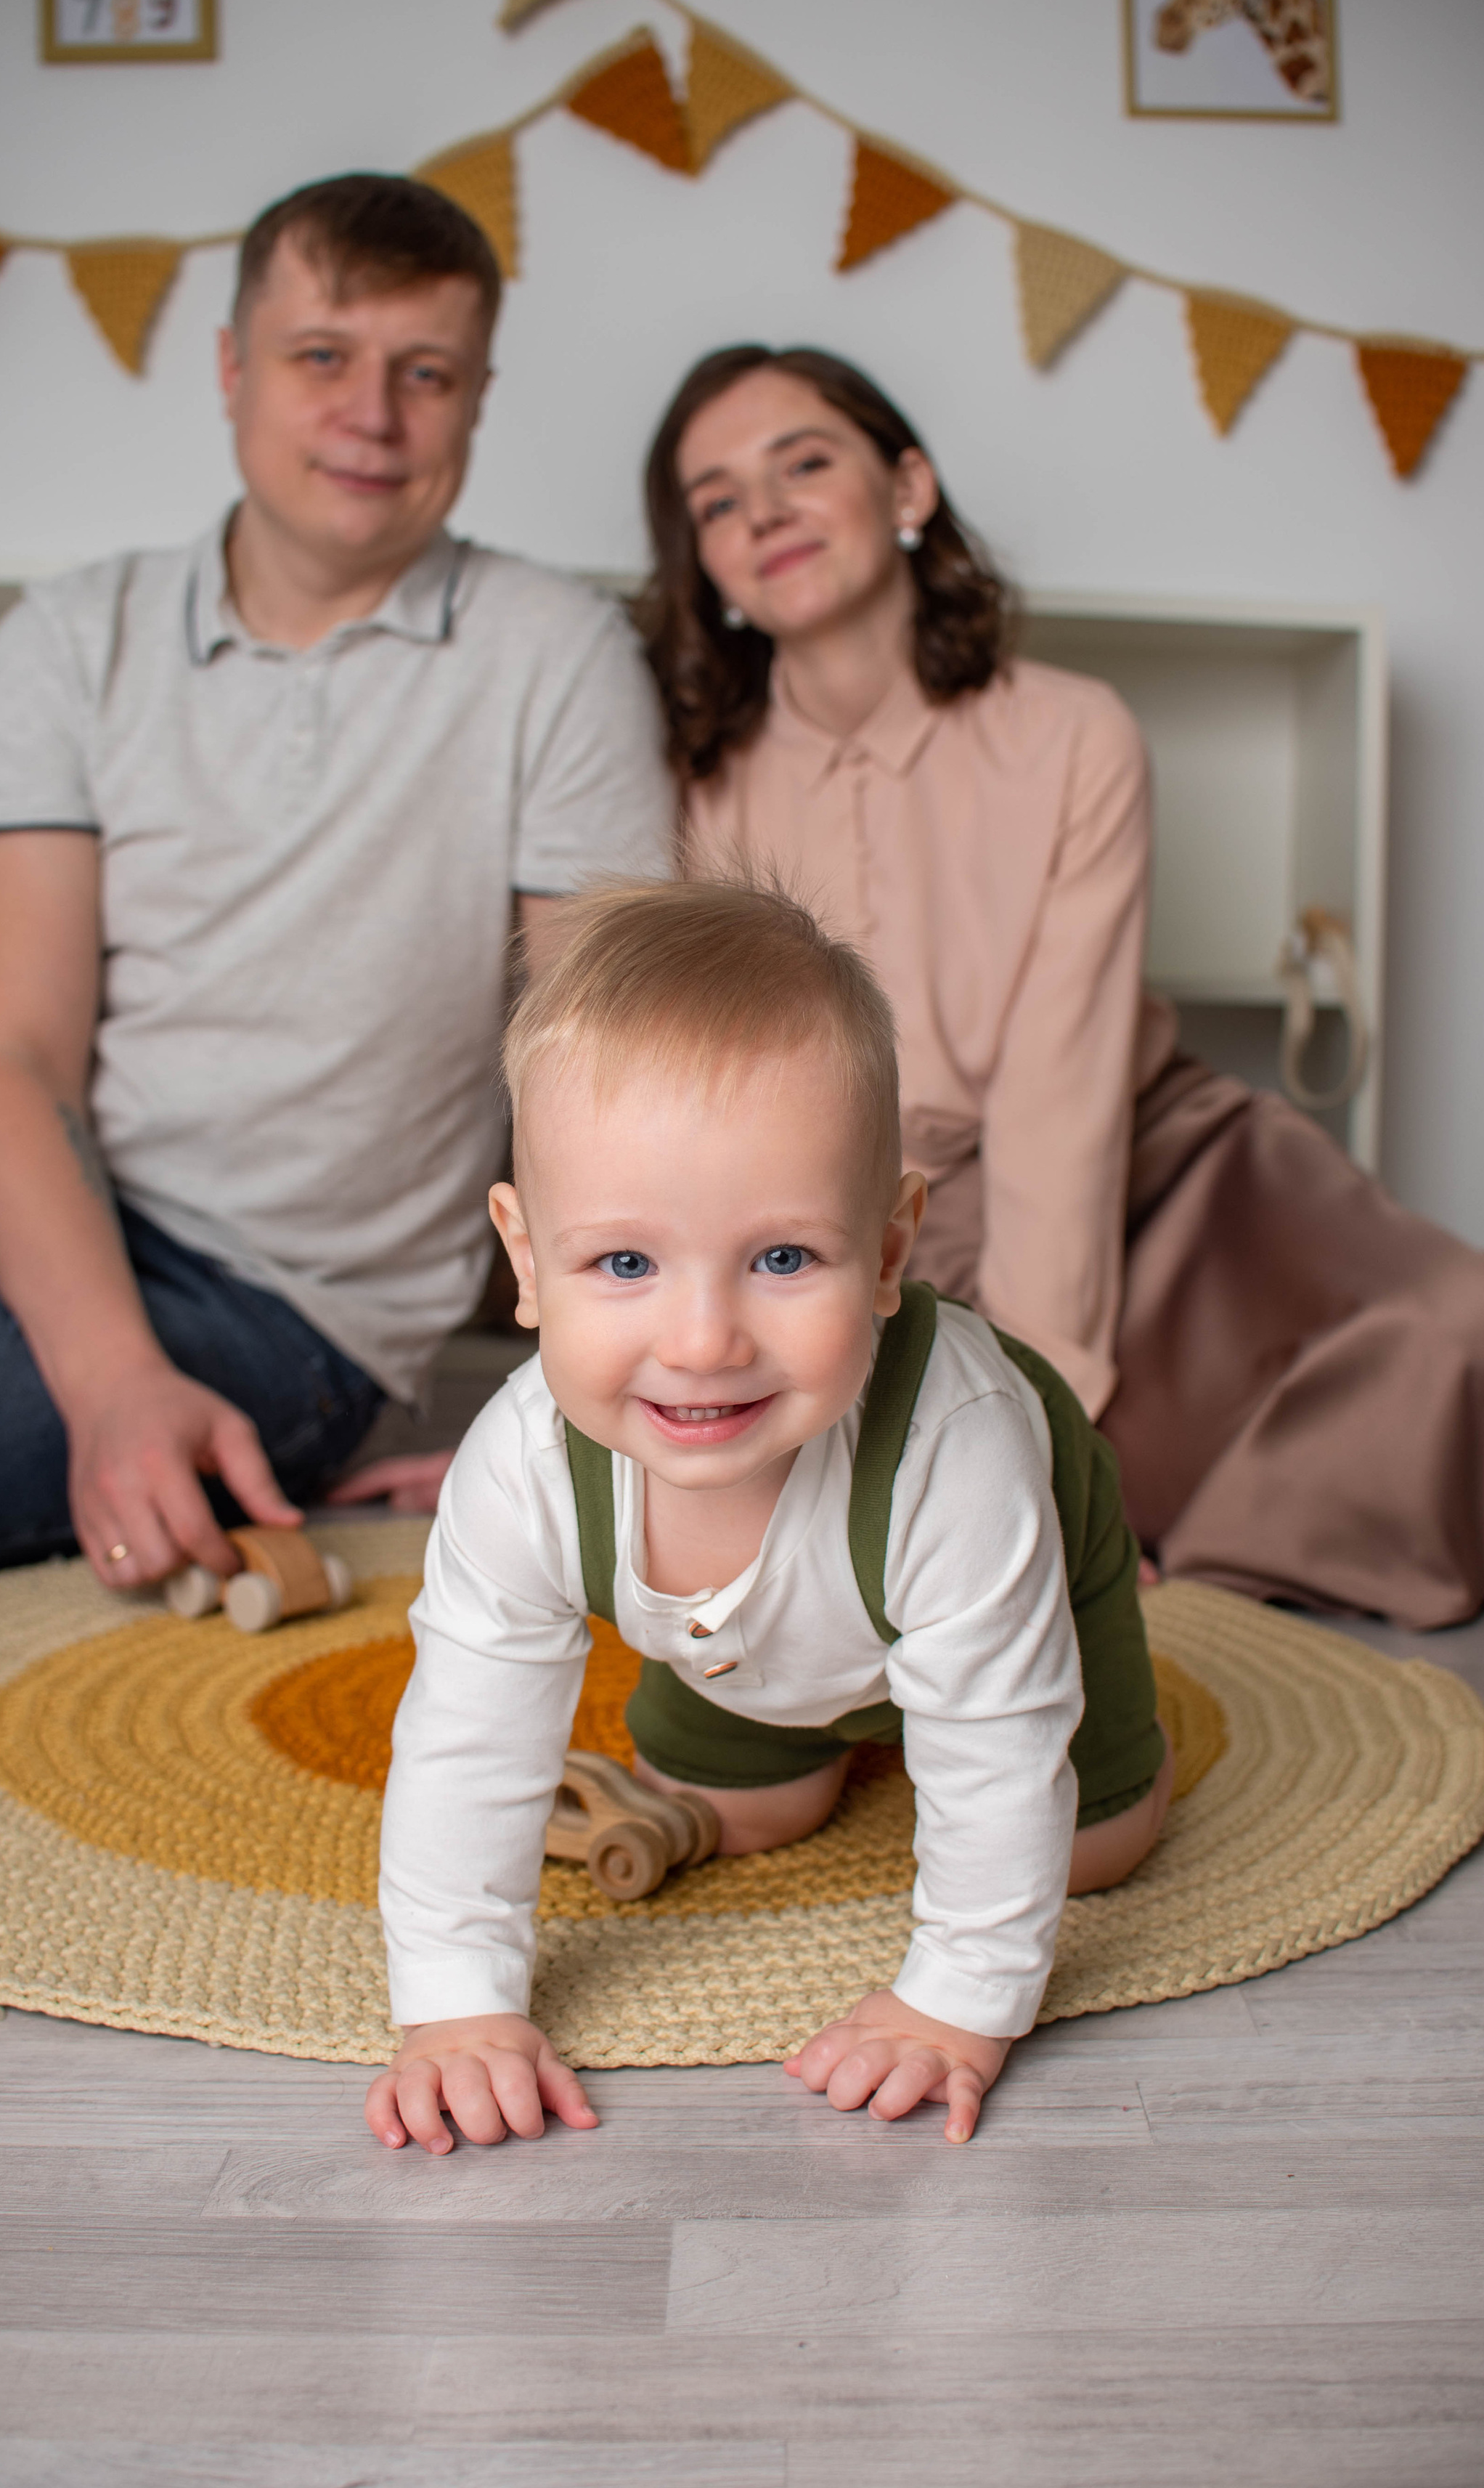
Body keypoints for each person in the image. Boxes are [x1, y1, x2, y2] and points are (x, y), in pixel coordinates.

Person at [0, 174, 672, 1606]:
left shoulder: (555, 655)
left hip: (289, 1303)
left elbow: (605, 1072)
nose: (372, 414)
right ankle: (25, 1358)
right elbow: (6, 1049)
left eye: (424, 374)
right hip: (24, 1160)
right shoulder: (73, 632)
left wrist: (589, 1418)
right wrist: (107, 1377)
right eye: (322, 359)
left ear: (476, 400)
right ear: (233, 369)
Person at [645, 344, 1484, 1632]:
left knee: (1479, 1334)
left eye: (803, 463)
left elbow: (1062, 1094)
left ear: (908, 486)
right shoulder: (689, 779)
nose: (762, 512)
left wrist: (1045, 1413)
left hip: (1157, 1167)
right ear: (705, 562)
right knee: (873, 1503)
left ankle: (1156, 1537)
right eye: (715, 500)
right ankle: (1122, 1538)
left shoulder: (1074, 732)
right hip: (872, 1229)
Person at [365, 878, 1173, 2157]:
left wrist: (958, 2001)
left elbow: (1011, 1746)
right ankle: (824, 1737)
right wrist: (456, 2006)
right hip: (756, 1642)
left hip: (1023, 1578)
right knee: (742, 1809)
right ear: (525, 1262)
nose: (702, 1340)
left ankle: (914, 1716)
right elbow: (465, 1739)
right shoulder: (519, 1465)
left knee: (1089, 1842)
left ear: (892, 1248)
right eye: (624, 1263)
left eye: (783, 1258)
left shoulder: (956, 1453)